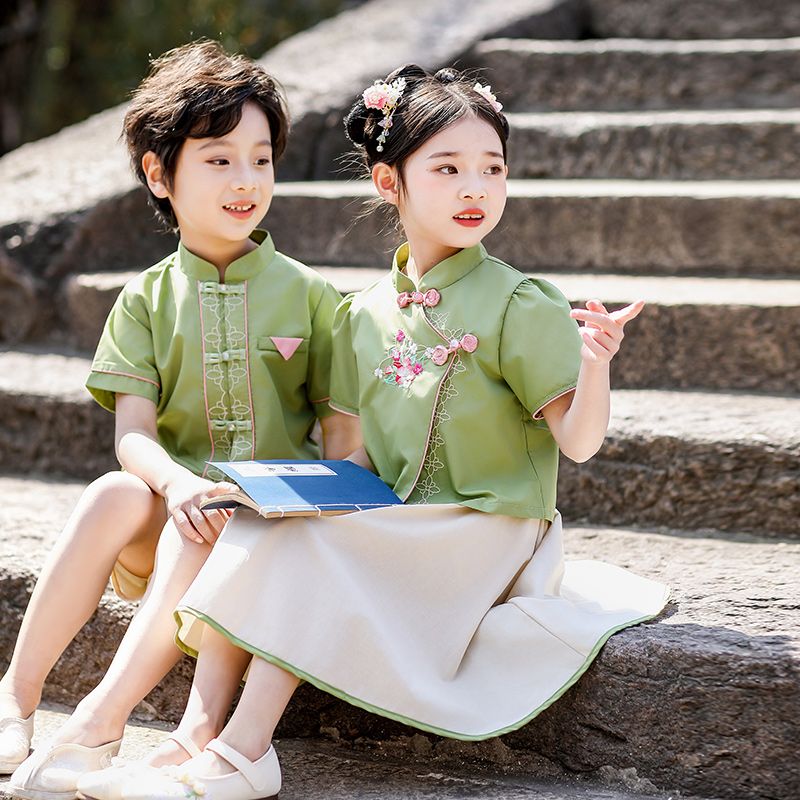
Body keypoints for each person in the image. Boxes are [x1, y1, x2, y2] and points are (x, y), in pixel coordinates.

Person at [82, 64, 670, 800]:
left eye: (493, 169)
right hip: (400, 519)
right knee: (273, 527)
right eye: (448, 168)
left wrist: (595, 365)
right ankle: (194, 736)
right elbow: (352, 457)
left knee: (317, 544)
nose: (475, 189)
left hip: (490, 529)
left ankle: (244, 752)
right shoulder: (362, 315)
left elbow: (578, 444)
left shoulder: (524, 302)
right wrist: (284, 497)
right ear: (390, 182)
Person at [5, 40, 358, 800]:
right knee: (111, 492)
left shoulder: (316, 300)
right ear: (159, 174)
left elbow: (345, 446)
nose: (246, 180)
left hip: (264, 522)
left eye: (261, 159)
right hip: (171, 515)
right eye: (219, 159)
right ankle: (16, 696)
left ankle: (104, 720)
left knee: (219, 516)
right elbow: (132, 430)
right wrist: (177, 484)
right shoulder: (144, 300)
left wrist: (286, 502)